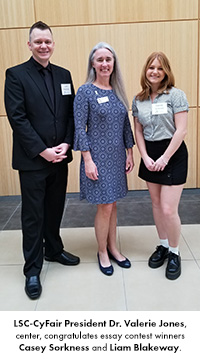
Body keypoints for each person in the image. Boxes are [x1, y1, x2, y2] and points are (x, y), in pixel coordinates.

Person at [4, 21, 80, 300]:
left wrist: (67, 143)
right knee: (34, 215)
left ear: (53, 43)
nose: (44, 46)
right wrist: (42, 150)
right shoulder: (15, 75)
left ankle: (54, 249)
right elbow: (18, 119)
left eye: (47, 41)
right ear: (29, 45)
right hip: (33, 161)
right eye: (38, 42)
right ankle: (32, 268)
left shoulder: (64, 74)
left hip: (60, 157)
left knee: (55, 206)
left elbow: (71, 114)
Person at [73, 42, 135, 276]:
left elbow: (125, 124)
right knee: (105, 206)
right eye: (100, 59)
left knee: (113, 204)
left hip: (117, 157)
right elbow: (80, 128)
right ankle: (102, 252)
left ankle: (113, 247)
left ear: (113, 63)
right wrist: (87, 159)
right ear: (93, 63)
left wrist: (130, 152)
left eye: (108, 59)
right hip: (97, 158)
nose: (105, 63)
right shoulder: (85, 91)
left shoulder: (117, 91)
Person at [132, 52, 189, 280]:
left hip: (172, 154)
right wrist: (144, 156)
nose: (154, 71)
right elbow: (138, 130)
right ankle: (163, 245)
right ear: (145, 70)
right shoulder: (139, 99)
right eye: (151, 67)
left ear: (166, 71)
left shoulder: (176, 95)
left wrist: (165, 158)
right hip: (150, 154)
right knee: (156, 205)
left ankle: (175, 253)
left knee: (168, 209)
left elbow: (181, 130)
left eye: (160, 68)